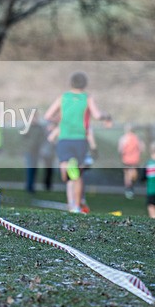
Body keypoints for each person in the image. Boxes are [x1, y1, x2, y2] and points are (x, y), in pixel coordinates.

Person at [44, 71, 111, 213]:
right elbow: (98, 115)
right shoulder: (87, 98)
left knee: (68, 174)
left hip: (64, 138)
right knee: (78, 175)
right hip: (80, 138)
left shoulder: (63, 97)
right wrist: (106, 116)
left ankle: (71, 203)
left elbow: (48, 115)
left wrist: (61, 119)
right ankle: (76, 206)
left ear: (71, 83)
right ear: (84, 84)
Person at [118, 124, 144, 199]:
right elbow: (142, 148)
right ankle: (129, 189)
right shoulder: (136, 138)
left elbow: (120, 149)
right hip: (132, 159)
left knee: (128, 175)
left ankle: (129, 188)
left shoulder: (125, 138)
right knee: (130, 174)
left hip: (129, 159)